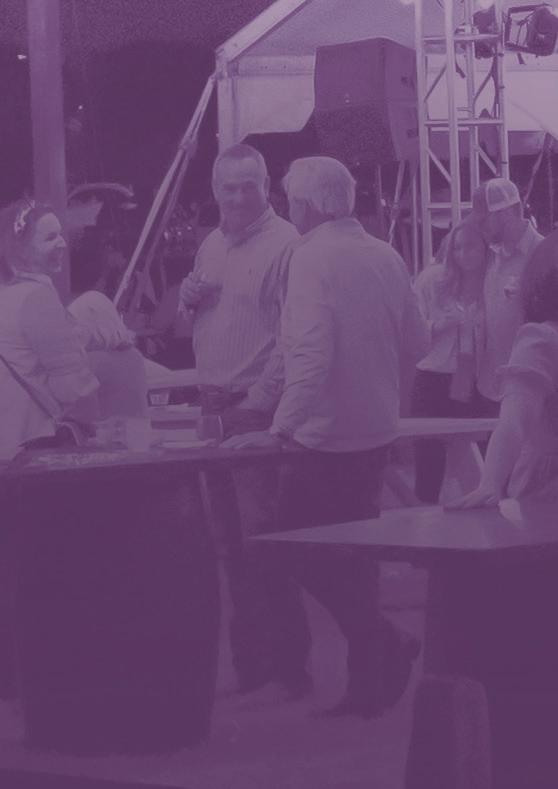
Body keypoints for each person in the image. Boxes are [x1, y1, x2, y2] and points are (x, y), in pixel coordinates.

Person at [224, 156, 428, 718]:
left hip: (322, 439)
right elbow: (418, 340)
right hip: (375, 433)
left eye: (291, 201)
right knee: (353, 558)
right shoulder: (385, 254)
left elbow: (307, 354)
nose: (289, 210)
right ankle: (369, 683)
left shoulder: (310, 258)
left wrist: (276, 428)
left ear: (307, 206)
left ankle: (384, 639)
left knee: (282, 551)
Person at [178, 143, 300, 695]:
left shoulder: (287, 245)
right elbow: (195, 324)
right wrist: (188, 299)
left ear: (267, 186)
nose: (237, 196)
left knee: (263, 541)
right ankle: (252, 667)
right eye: (228, 187)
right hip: (212, 404)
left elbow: (291, 338)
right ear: (214, 190)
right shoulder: (211, 243)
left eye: (248, 185)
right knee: (227, 545)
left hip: (253, 406)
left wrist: (258, 401)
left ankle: (288, 668)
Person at [449, 230, 558, 508]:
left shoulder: (541, 339)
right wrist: (491, 482)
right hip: (547, 491)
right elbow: (515, 420)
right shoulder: (542, 341)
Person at [0, 199, 99, 459]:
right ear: (21, 249)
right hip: (32, 446)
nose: (63, 244)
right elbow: (72, 387)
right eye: (50, 238)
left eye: (61, 235)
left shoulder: (6, 294)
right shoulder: (36, 297)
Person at [411, 218, 494, 503]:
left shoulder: (493, 283)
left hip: (476, 380)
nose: (462, 254)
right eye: (457, 247)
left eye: (469, 247)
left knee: (482, 456)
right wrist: (438, 326)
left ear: (485, 248)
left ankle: (485, 511)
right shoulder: (432, 280)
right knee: (429, 458)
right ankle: (423, 514)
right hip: (433, 379)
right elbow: (410, 328)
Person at [472, 177, 543, 406]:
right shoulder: (492, 257)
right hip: (491, 387)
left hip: (530, 391)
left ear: (505, 213)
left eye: (484, 220)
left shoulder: (544, 256)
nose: (480, 227)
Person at [68, 290, 148, 420]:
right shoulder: (135, 357)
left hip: (105, 431)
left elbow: (81, 414)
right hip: (138, 429)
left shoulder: (90, 363)